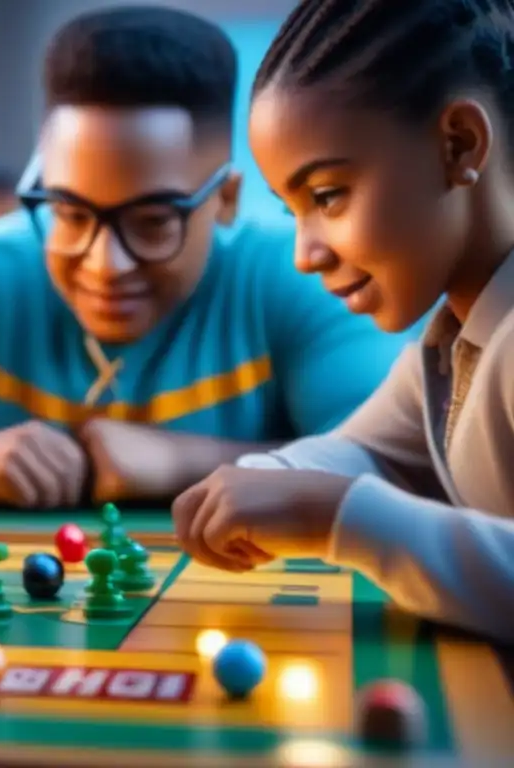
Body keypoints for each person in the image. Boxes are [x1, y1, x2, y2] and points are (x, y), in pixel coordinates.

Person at [0, 6, 414, 509]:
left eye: (152, 221)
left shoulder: (294, 276)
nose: (105, 265)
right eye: (71, 214)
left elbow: (400, 468)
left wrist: (180, 461)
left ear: (224, 199)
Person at [172, 0, 514, 642]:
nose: (305, 254)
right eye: (292, 210)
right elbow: (367, 451)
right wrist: (269, 479)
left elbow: (347, 495)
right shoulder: (454, 339)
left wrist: (340, 517)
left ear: (458, 144)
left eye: (327, 195)